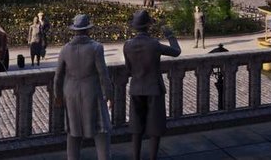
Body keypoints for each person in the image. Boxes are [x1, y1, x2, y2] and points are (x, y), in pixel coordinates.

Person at [123, 10, 181, 160]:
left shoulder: (127, 45)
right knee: (155, 128)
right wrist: (170, 35)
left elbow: (129, 68)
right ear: (148, 26)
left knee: (136, 128)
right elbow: (176, 52)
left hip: (136, 87)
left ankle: (136, 157)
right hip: (153, 88)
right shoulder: (154, 44)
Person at [53, 14, 112, 160]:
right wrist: (109, 95)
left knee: (73, 133)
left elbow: (58, 76)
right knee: (101, 131)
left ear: (74, 30)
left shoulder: (65, 49)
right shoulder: (96, 48)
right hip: (92, 93)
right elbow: (103, 75)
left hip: (71, 95)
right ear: (88, 30)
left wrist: (58, 96)